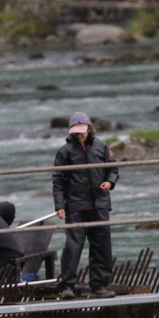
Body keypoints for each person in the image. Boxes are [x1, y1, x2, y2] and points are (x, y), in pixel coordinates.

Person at [52, 112, 118, 299]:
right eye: (76, 132)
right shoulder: (64, 151)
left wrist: (110, 183)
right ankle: (67, 286)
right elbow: (58, 180)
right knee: (73, 246)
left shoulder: (102, 147)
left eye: (82, 132)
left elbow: (112, 169)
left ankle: (99, 285)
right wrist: (60, 205)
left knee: (102, 245)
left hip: (100, 204)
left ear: (89, 129)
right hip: (75, 205)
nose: (79, 135)